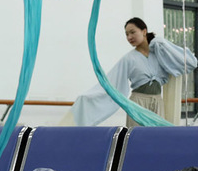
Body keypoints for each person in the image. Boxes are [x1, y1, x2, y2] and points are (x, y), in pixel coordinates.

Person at [65, 17, 197, 127]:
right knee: (137, 140)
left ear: (144, 31)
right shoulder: (128, 59)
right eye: (127, 34)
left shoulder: (160, 53)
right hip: (137, 104)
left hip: (158, 102)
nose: (129, 37)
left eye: (132, 32)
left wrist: (162, 43)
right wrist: (87, 97)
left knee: (158, 140)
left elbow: (189, 63)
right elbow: (111, 82)